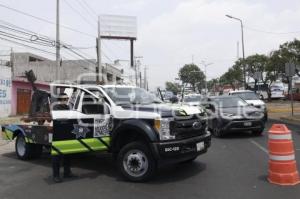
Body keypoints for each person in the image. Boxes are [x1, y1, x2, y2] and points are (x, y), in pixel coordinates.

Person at [52, 93, 76, 183]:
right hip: (58, 135)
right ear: (59, 100)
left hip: (66, 133)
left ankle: (67, 172)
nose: (66, 100)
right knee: (57, 156)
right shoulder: (56, 108)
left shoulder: (67, 107)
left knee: (68, 154)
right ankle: (56, 176)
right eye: (64, 99)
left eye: (66, 99)